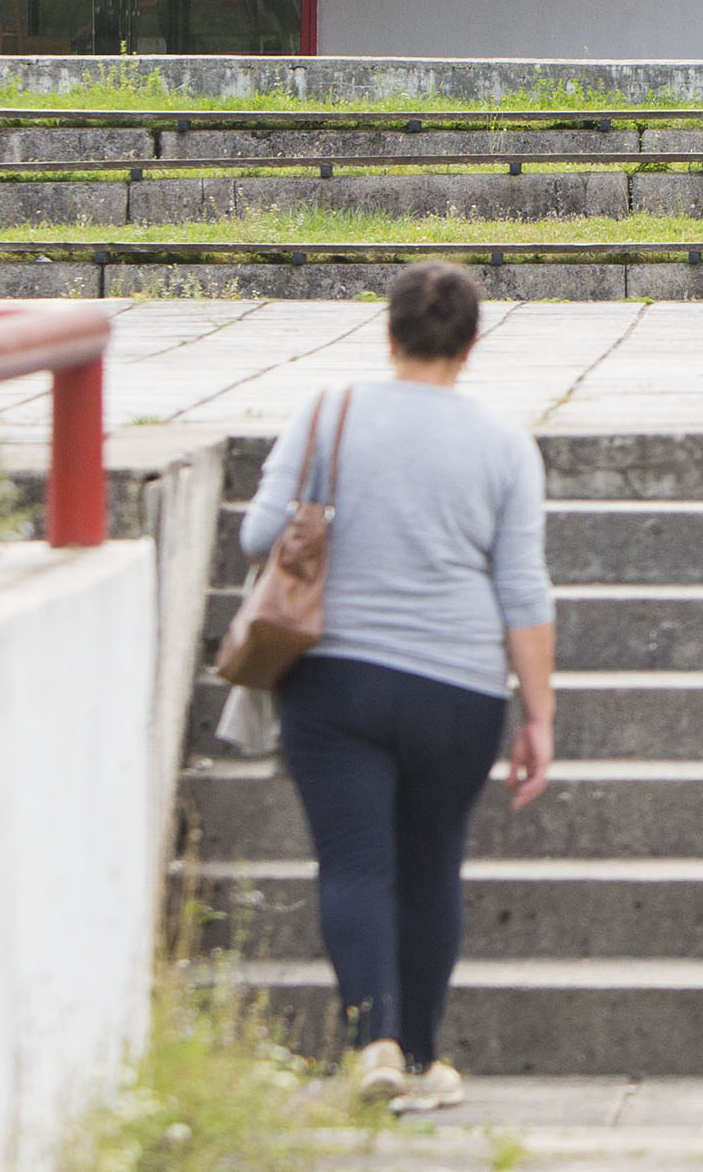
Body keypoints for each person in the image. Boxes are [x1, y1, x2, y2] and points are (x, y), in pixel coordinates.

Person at [238, 259, 554, 1117]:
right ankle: (421, 1054)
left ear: (389, 332)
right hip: (458, 687)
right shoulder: (503, 446)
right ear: (471, 344)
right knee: (431, 866)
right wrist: (539, 715)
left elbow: (260, 532)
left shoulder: (328, 413)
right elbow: (523, 592)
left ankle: (372, 1041)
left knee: (354, 862)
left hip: (335, 677)